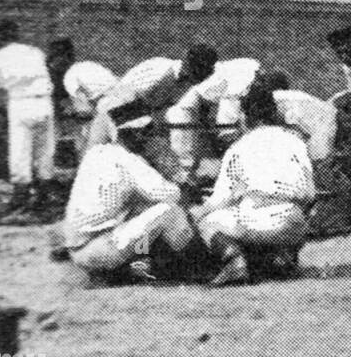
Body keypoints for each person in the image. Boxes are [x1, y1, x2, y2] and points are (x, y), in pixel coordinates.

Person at [191, 84, 317, 286]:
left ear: (245, 116)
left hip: (258, 222)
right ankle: (283, 256)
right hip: (295, 225)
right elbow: (310, 193)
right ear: (274, 112)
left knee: (209, 222)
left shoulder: (238, 147)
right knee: (289, 213)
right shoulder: (296, 142)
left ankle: (234, 262)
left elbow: (221, 198)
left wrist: (198, 211)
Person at [62, 116, 200, 285]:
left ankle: (125, 270)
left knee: (144, 210)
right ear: (133, 134)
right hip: (100, 248)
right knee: (169, 211)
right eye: (143, 131)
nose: (147, 136)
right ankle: (199, 267)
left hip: (79, 250)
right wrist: (187, 189)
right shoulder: (128, 160)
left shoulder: (95, 152)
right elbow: (170, 194)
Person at [86, 45, 219, 182]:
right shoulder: (159, 71)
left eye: (203, 74)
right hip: (112, 113)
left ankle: (182, 182)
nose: (199, 79)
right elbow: (124, 103)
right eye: (198, 72)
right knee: (95, 163)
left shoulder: (185, 81)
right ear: (188, 64)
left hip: (136, 115)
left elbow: (156, 108)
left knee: (155, 153)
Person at [0, 20, 57, 214]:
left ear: (0, 38)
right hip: (45, 103)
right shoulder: (35, 52)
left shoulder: (0, 57)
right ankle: (43, 198)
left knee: (20, 152)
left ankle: (20, 198)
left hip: (21, 105)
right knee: (44, 152)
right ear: (16, 34)